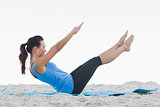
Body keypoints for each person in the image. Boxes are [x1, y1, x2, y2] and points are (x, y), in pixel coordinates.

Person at [19, 22, 134, 94]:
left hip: (69, 80)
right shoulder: (37, 65)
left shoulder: (33, 65)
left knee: (93, 60)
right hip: (71, 87)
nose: (45, 50)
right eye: (43, 47)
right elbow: (56, 48)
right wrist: (71, 33)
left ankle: (118, 45)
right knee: (95, 62)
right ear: (35, 49)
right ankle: (123, 48)